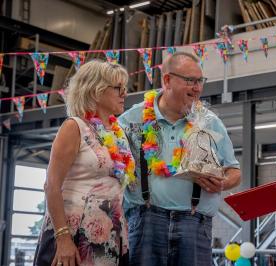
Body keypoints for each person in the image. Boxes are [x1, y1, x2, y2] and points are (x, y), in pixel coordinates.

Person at [119, 51, 241, 266]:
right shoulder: (131, 120)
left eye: (200, 81)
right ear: (167, 80)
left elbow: (234, 171)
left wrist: (223, 182)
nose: (197, 88)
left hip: (194, 224)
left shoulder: (210, 122)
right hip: (145, 222)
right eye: (190, 81)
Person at [34, 60, 135, 266]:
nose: (124, 93)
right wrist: (62, 238)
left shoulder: (118, 133)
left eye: (125, 88)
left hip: (110, 234)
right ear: (95, 90)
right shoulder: (74, 127)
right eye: (117, 88)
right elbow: (52, 186)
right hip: (73, 233)